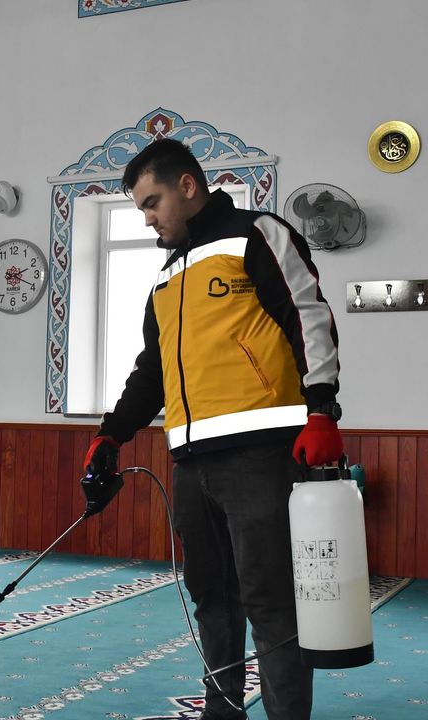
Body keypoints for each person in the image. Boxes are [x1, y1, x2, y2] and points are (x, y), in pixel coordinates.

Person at [81, 138, 344, 720]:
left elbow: (308, 314)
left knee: (269, 600)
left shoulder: (256, 234)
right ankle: (222, 713)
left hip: (261, 456)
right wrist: (111, 434)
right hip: (191, 464)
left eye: (152, 203)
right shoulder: (166, 277)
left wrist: (322, 408)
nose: (148, 219)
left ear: (188, 186)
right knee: (212, 600)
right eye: (140, 209)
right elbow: (151, 371)